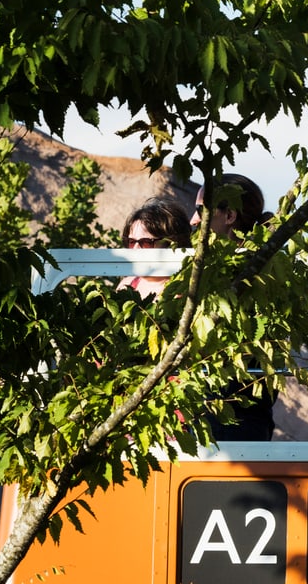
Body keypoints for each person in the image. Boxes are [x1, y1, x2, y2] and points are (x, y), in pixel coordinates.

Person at [190, 173, 276, 442]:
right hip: (246, 417)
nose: (193, 220)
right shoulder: (268, 269)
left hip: (226, 418)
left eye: (201, 211)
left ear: (229, 217)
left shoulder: (249, 277)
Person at [118, 197, 191, 298]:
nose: (135, 249)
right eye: (131, 242)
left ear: (171, 244)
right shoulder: (126, 285)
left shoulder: (180, 293)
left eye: (146, 242)